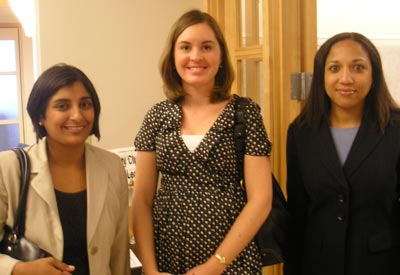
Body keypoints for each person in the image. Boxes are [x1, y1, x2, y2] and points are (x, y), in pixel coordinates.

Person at [132, 9, 273, 275]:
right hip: (167, 258)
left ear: (220, 56)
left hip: (232, 261)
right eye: (185, 47)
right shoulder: (157, 116)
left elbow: (261, 200)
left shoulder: (244, 114)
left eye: (206, 47)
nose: (195, 56)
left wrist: (214, 265)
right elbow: (141, 201)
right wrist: (150, 270)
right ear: (173, 56)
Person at [285, 32, 400, 275]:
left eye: (358, 67)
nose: (346, 78)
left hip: (381, 265)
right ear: (321, 76)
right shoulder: (301, 133)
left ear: (374, 74)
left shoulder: (396, 130)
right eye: (334, 68)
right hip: (317, 266)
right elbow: (297, 214)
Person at [0, 64, 130, 275]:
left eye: (85, 104)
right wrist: (19, 269)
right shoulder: (7, 168)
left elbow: (119, 252)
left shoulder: (112, 167)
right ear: (41, 115)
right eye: (62, 106)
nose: (77, 115)